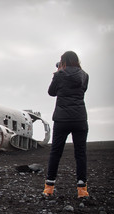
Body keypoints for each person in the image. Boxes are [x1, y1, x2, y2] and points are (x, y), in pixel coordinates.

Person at [43, 51, 89, 198]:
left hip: (62, 119)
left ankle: (49, 188)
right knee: (80, 154)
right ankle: (82, 190)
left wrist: (57, 73)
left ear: (63, 62)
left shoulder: (59, 75)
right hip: (80, 118)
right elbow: (83, 90)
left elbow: (51, 92)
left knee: (55, 153)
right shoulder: (84, 75)